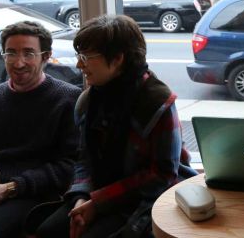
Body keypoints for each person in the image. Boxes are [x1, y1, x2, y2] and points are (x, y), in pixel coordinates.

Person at [35, 15, 196, 238]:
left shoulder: (157, 102)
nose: (79, 64)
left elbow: (162, 175)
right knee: (47, 232)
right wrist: (81, 197)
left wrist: (98, 203)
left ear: (118, 59)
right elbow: (84, 159)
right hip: (100, 191)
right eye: (78, 56)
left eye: (86, 57)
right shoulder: (88, 101)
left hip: (149, 197)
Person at [0, 21, 81, 238]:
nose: (18, 63)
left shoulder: (68, 100)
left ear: (46, 56)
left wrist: (10, 189)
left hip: (34, 194)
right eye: (11, 53)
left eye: (28, 53)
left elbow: (71, 165)